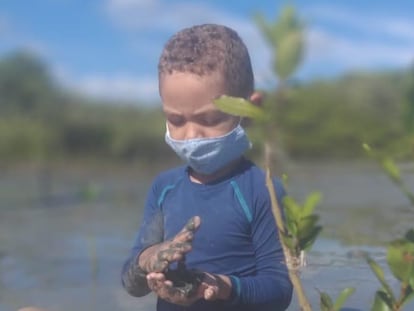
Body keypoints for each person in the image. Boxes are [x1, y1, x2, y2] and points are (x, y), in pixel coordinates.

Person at [121, 23, 293, 311]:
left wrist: (220, 286)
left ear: (250, 111)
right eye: (176, 121)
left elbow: (279, 289)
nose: (191, 136)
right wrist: (151, 257)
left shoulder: (263, 191)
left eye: (209, 120)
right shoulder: (164, 188)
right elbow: (131, 284)